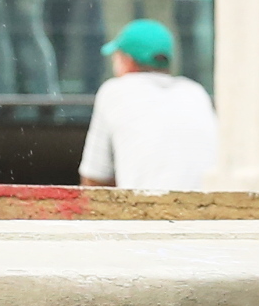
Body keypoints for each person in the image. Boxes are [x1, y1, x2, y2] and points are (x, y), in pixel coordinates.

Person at [78, 18, 216, 191]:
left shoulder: (113, 92)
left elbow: (93, 181)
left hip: (148, 211)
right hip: (207, 210)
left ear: (127, 61)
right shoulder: (196, 92)